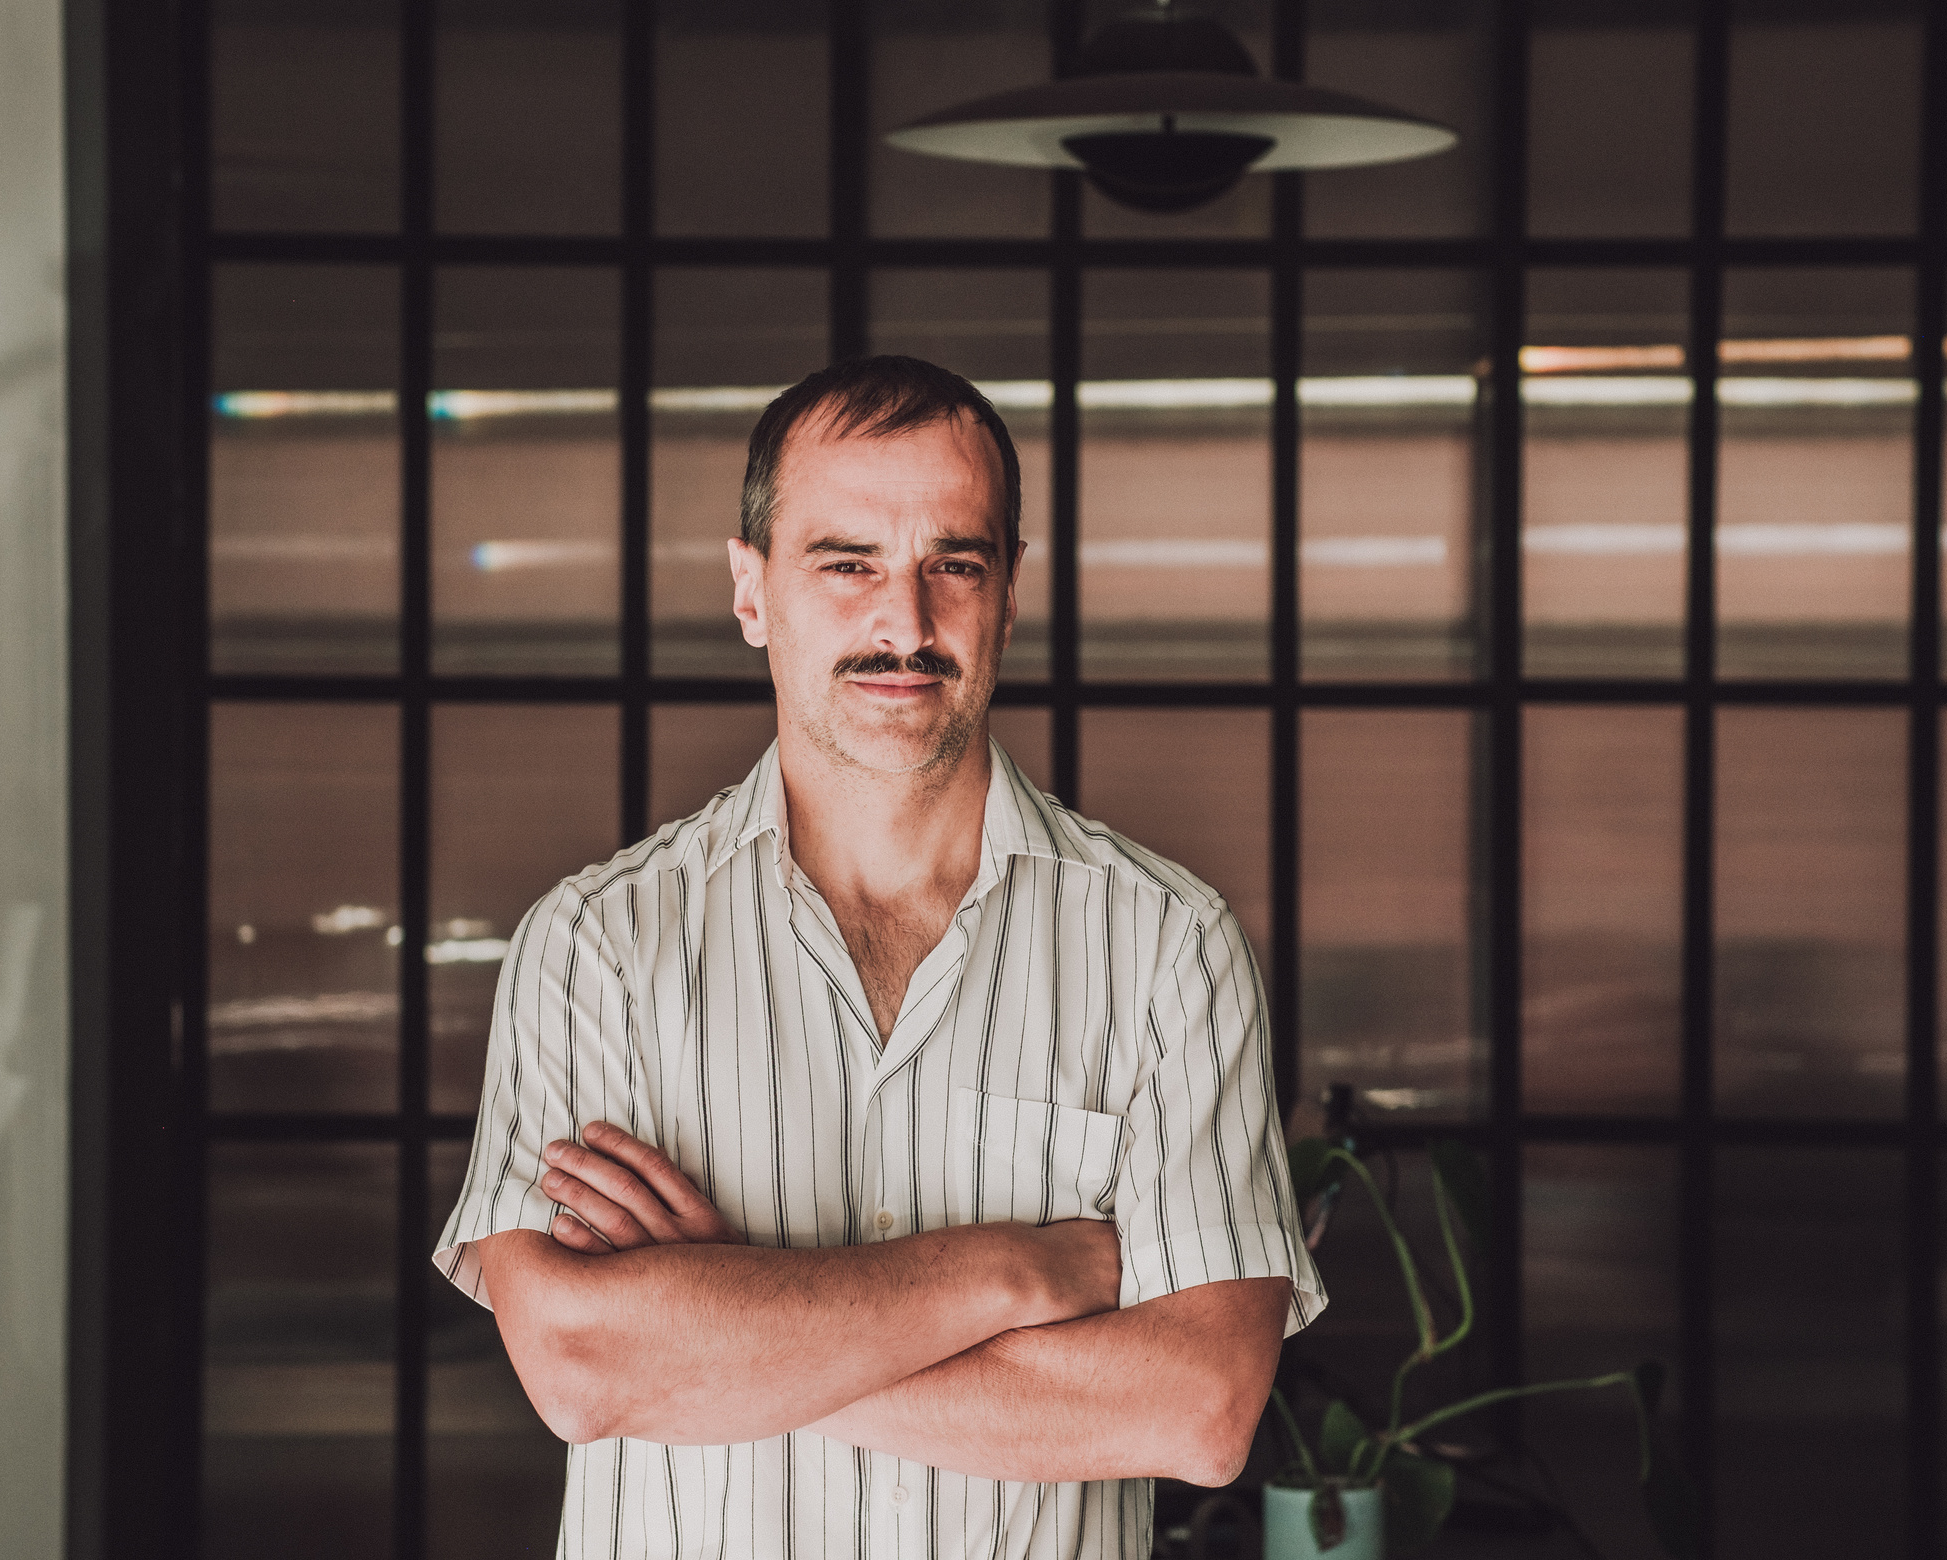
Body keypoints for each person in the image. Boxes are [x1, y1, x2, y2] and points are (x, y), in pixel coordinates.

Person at [436, 355, 1325, 1559]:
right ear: (751, 592)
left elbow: (1202, 1408)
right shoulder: (597, 946)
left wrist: (725, 1328)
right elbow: (583, 1369)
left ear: (1008, 595)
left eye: (952, 564)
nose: (902, 623)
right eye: (845, 562)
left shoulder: (1168, 946)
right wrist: (1021, 1272)